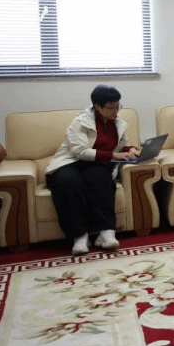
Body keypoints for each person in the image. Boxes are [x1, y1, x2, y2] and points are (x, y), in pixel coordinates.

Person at [45, 85, 140, 255]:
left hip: (95, 164)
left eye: (118, 106)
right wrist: (114, 155)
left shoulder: (116, 121)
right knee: (68, 182)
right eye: (110, 107)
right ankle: (79, 237)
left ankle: (106, 233)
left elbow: (121, 143)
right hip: (69, 163)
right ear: (97, 106)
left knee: (101, 179)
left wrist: (129, 149)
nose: (115, 111)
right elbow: (79, 151)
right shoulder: (80, 122)